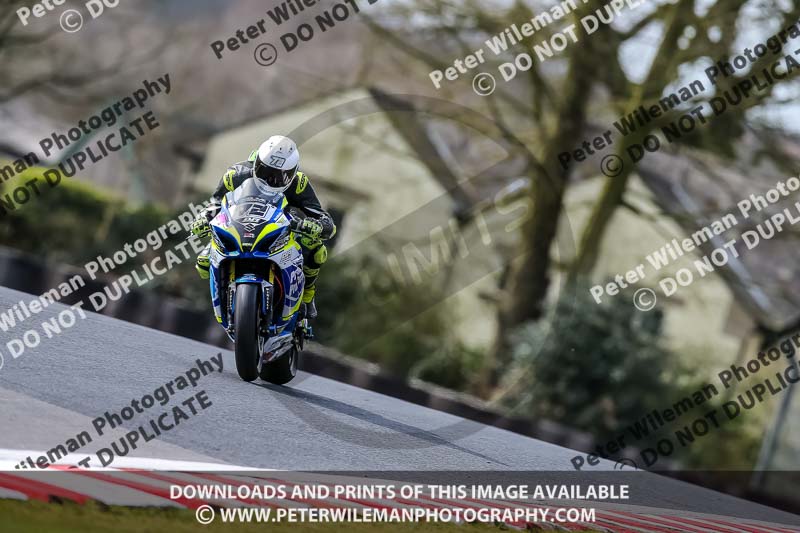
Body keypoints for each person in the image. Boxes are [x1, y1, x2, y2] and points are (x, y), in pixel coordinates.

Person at [191, 135, 335, 319]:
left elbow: (324, 219)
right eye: (265, 171)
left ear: (292, 173)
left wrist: (315, 226)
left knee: (316, 250)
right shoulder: (236, 174)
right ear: (257, 162)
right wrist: (204, 217)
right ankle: (223, 294)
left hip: (281, 228)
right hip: (239, 225)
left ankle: (307, 296)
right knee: (203, 263)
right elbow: (216, 203)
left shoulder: (299, 184)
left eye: (280, 176)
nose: (271, 180)